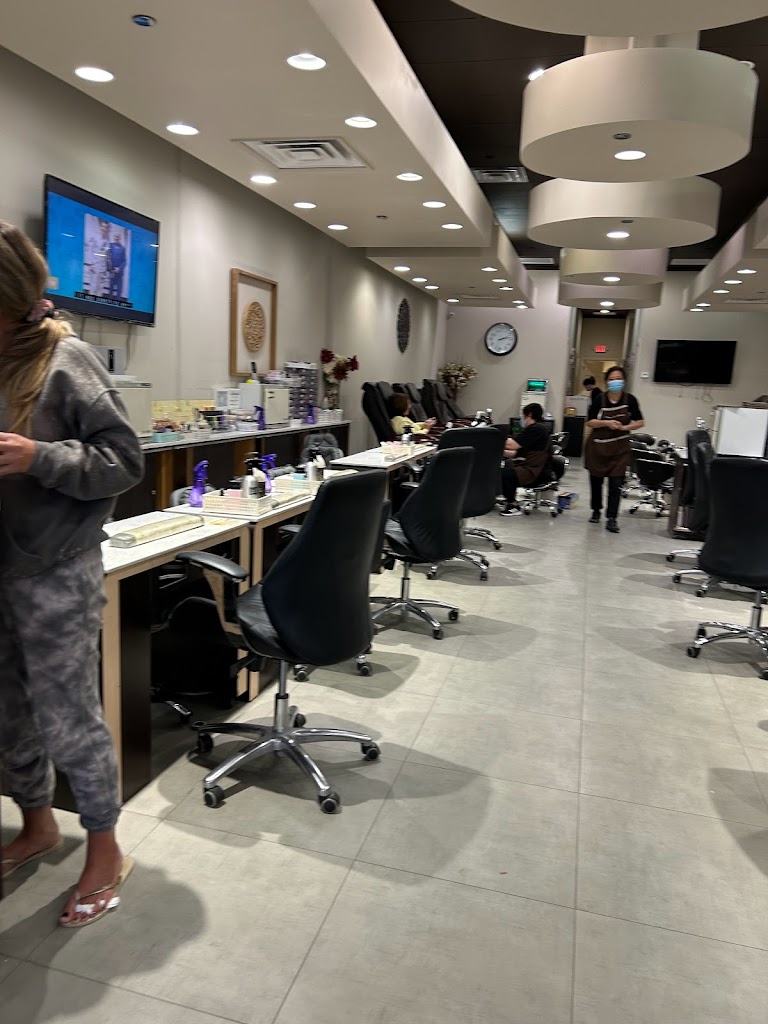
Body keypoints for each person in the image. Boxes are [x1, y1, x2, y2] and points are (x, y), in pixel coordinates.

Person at [0, 222, 144, 927]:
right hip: (3, 568)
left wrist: (40, 458)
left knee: (68, 718)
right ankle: (37, 824)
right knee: (6, 712)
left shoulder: (67, 359)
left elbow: (124, 461)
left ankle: (105, 849)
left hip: (55, 571)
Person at [584, 365, 645, 533]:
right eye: (611, 379)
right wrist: (606, 423)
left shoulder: (630, 400)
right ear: (606, 382)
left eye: (618, 379)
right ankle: (596, 510)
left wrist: (625, 427)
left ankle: (612, 518)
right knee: (596, 482)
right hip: (598, 447)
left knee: (616, 484)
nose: (615, 382)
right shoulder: (599, 399)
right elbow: (590, 422)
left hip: (619, 449)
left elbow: (640, 421)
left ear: (624, 381)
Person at [499, 402, 551, 516]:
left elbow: (512, 445)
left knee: (505, 475)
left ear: (530, 414)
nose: (522, 420)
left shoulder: (536, 429)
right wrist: (499, 452)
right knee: (505, 468)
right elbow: (516, 453)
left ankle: (514, 505)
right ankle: (509, 498)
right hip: (531, 466)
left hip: (535, 471)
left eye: (523, 416)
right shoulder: (536, 429)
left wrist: (495, 439)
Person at [108, 228, 127, 300]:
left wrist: (119, 268)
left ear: (120, 238)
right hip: (112, 272)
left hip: (119, 273)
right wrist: (110, 268)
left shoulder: (123, 248)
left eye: (118, 237)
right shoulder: (110, 245)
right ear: (113, 237)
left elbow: (124, 261)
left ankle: (118, 302)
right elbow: (107, 258)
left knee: (119, 291)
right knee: (110, 290)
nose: (116, 238)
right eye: (115, 236)